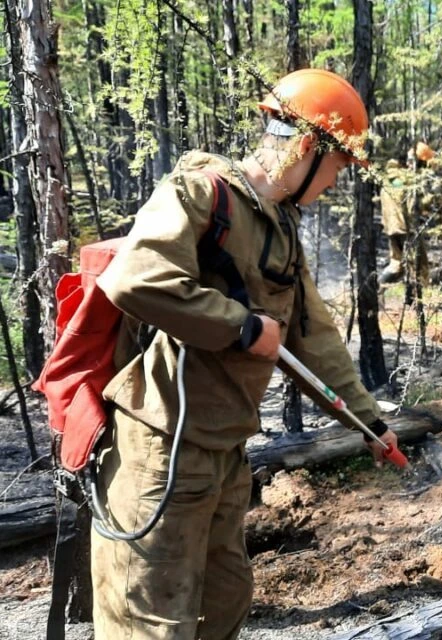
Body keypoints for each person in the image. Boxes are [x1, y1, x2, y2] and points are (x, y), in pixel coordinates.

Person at [90, 68, 399, 639]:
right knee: (153, 624)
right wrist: (239, 327)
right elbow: (136, 280)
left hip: (227, 454)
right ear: (307, 146)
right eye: (337, 166)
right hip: (161, 450)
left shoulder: (281, 225)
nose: (335, 181)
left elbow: (314, 337)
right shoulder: (200, 193)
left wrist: (368, 421)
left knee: (223, 606)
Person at [378, 141, 435, 286]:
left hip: (391, 227)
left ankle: (377, 288)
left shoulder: (392, 177)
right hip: (405, 227)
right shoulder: (408, 181)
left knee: (397, 263)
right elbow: (412, 207)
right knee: (419, 265)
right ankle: (422, 298)